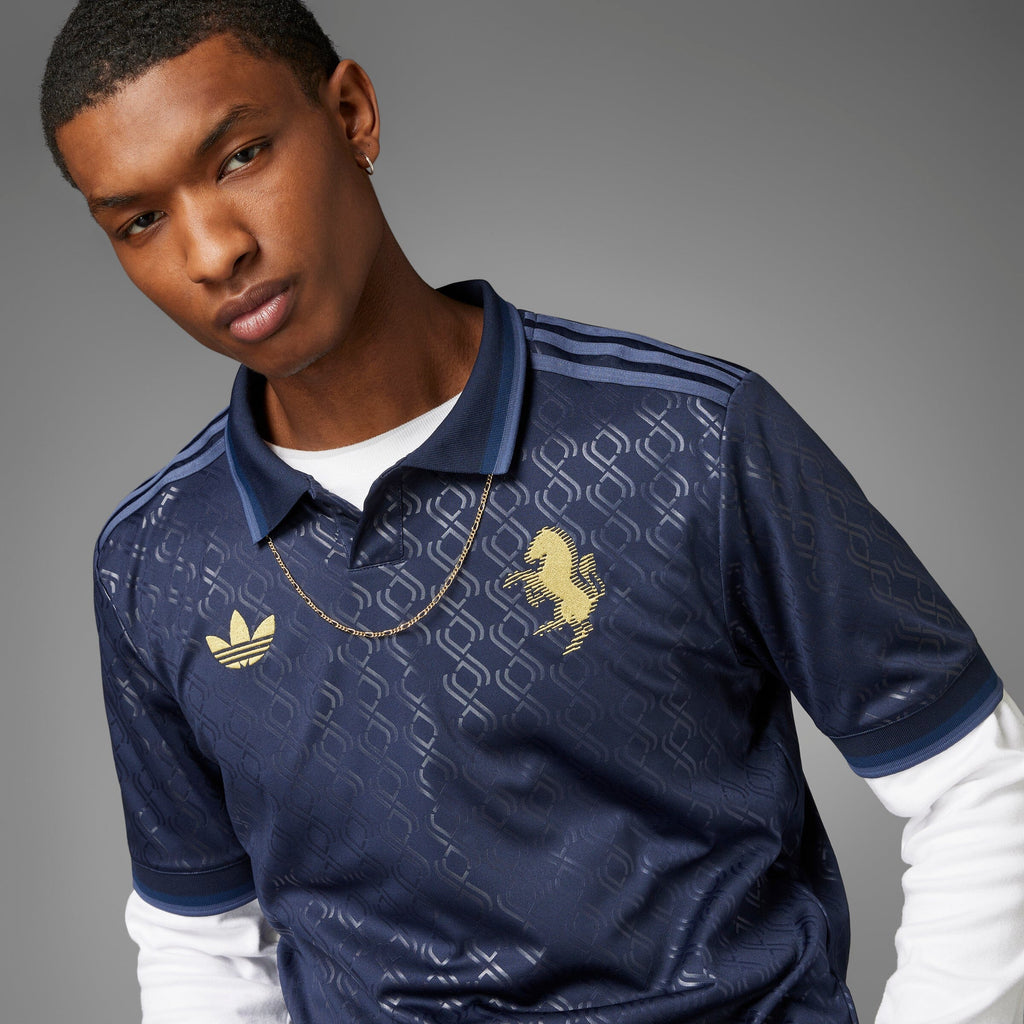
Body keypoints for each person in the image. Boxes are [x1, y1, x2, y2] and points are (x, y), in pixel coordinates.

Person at [40, 1, 1024, 1022]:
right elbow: (202, 944)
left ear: (352, 114)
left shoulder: (686, 434)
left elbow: (977, 783)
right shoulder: (155, 559)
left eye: (241, 157)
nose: (211, 252)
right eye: (140, 221)